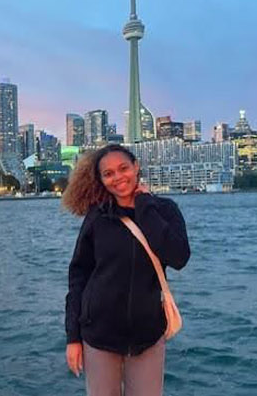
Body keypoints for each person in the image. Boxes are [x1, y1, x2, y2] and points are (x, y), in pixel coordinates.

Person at [62, 144, 191, 395]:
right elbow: (78, 278)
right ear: (100, 180)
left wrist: (144, 205)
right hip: (98, 333)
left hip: (148, 333)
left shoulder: (163, 210)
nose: (118, 177)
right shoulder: (98, 217)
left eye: (123, 168)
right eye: (108, 173)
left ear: (136, 167)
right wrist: (73, 338)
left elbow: (178, 257)